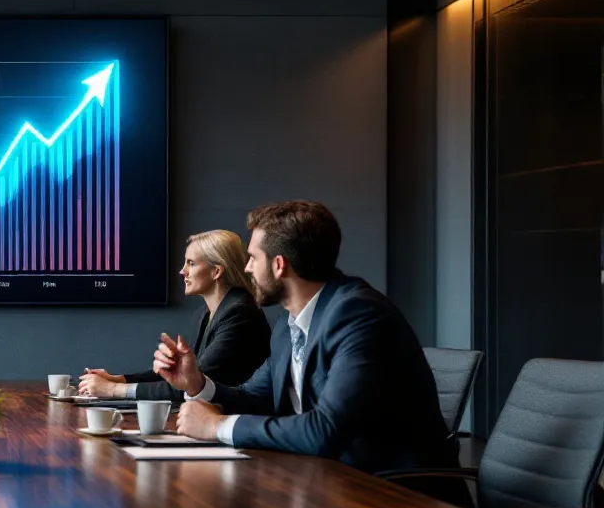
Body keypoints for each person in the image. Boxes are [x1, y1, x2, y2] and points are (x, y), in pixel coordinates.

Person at [158, 201, 454, 474]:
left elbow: (326, 430)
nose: (246, 268)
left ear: (279, 264)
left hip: (394, 495)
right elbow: (253, 398)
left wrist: (219, 426)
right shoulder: (290, 325)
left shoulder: (359, 315)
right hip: (321, 482)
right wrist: (197, 383)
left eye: (252, 258)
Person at [79, 230, 269, 400]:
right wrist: (118, 380)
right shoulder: (206, 313)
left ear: (216, 271)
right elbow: (179, 375)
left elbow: (189, 383)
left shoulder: (239, 313)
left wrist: (113, 390)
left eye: (191, 264)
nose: (182, 271)